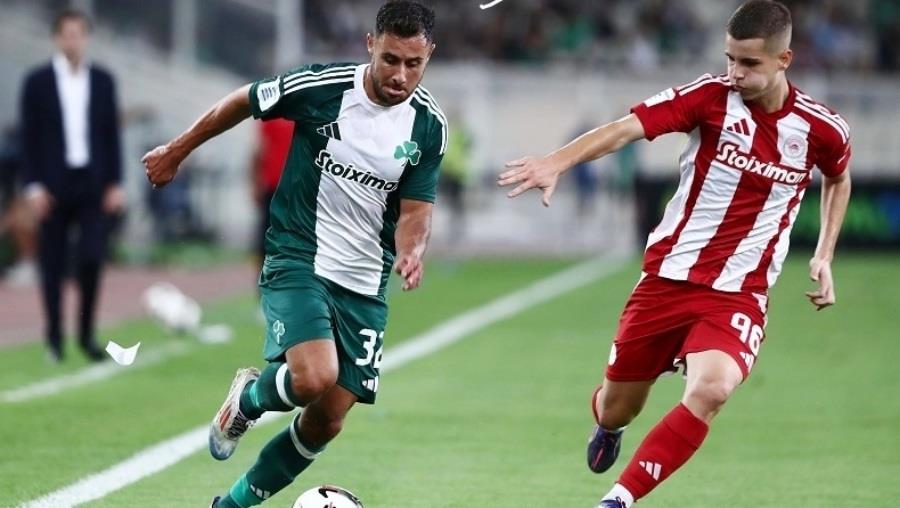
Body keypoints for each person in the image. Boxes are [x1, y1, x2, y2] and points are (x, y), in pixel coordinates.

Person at [498, 2, 851, 506]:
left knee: (712, 389)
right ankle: (609, 426)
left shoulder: (822, 129)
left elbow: (838, 178)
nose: (735, 73)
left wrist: (824, 253)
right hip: (667, 279)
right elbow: (624, 129)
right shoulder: (708, 98)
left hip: (739, 292)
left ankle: (617, 499)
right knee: (617, 407)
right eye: (730, 59)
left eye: (749, 63)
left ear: (784, 59)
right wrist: (557, 161)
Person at [142, 2, 446, 506]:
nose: (400, 75)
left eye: (413, 63)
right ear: (370, 45)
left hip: (365, 281)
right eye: (390, 59)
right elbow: (243, 100)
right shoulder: (324, 88)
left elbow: (416, 210)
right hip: (299, 256)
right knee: (314, 376)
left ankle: (229, 505)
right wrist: (178, 149)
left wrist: (412, 251)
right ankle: (248, 401)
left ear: (429, 55)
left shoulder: (428, 125)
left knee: (328, 419)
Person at [20, 9, 124, 363]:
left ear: (86, 38)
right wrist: (33, 186)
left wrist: (115, 183)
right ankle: (54, 338)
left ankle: (86, 334)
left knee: (92, 257)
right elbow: (29, 137)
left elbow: (111, 135)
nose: (72, 41)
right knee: (52, 263)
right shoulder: (37, 83)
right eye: (66, 34)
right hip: (52, 184)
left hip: (91, 182)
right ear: (56, 38)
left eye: (78, 34)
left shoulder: (103, 81)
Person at [251, 117, 293, 271]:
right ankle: (264, 273)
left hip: (296, 188)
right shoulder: (272, 117)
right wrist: (255, 183)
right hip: (273, 187)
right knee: (267, 234)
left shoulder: (305, 116)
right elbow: (258, 151)